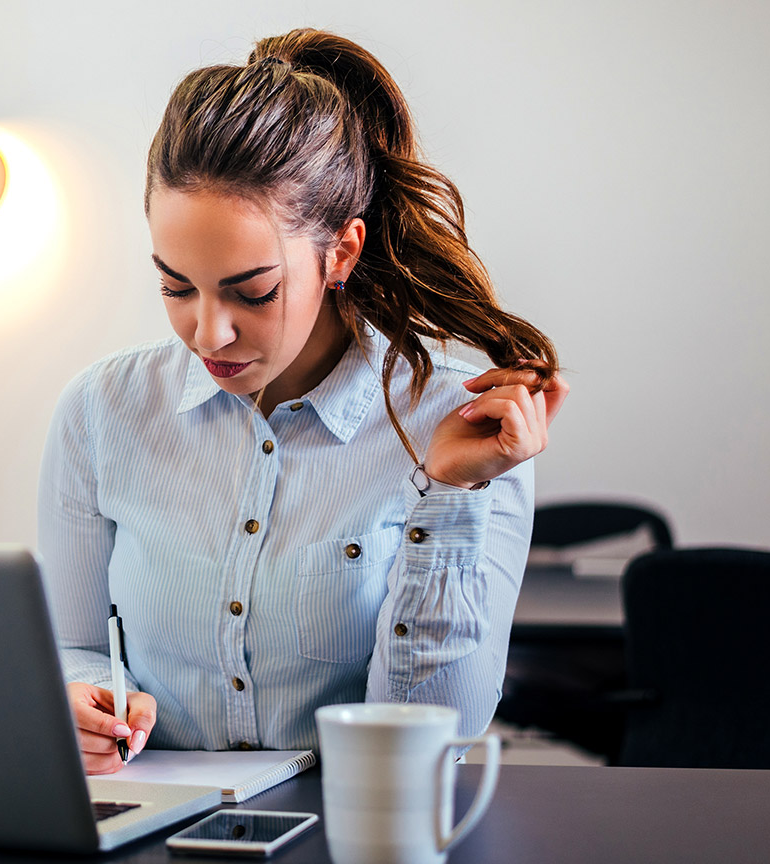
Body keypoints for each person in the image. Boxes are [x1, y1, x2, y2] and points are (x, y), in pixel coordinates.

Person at [37, 28, 569, 775]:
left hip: (356, 828)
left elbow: (436, 733)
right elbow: (74, 644)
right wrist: (89, 695)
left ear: (341, 253)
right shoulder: (101, 411)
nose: (207, 331)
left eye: (252, 291)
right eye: (175, 285)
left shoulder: (460, 426)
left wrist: (450, 494)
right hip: (152, 827)